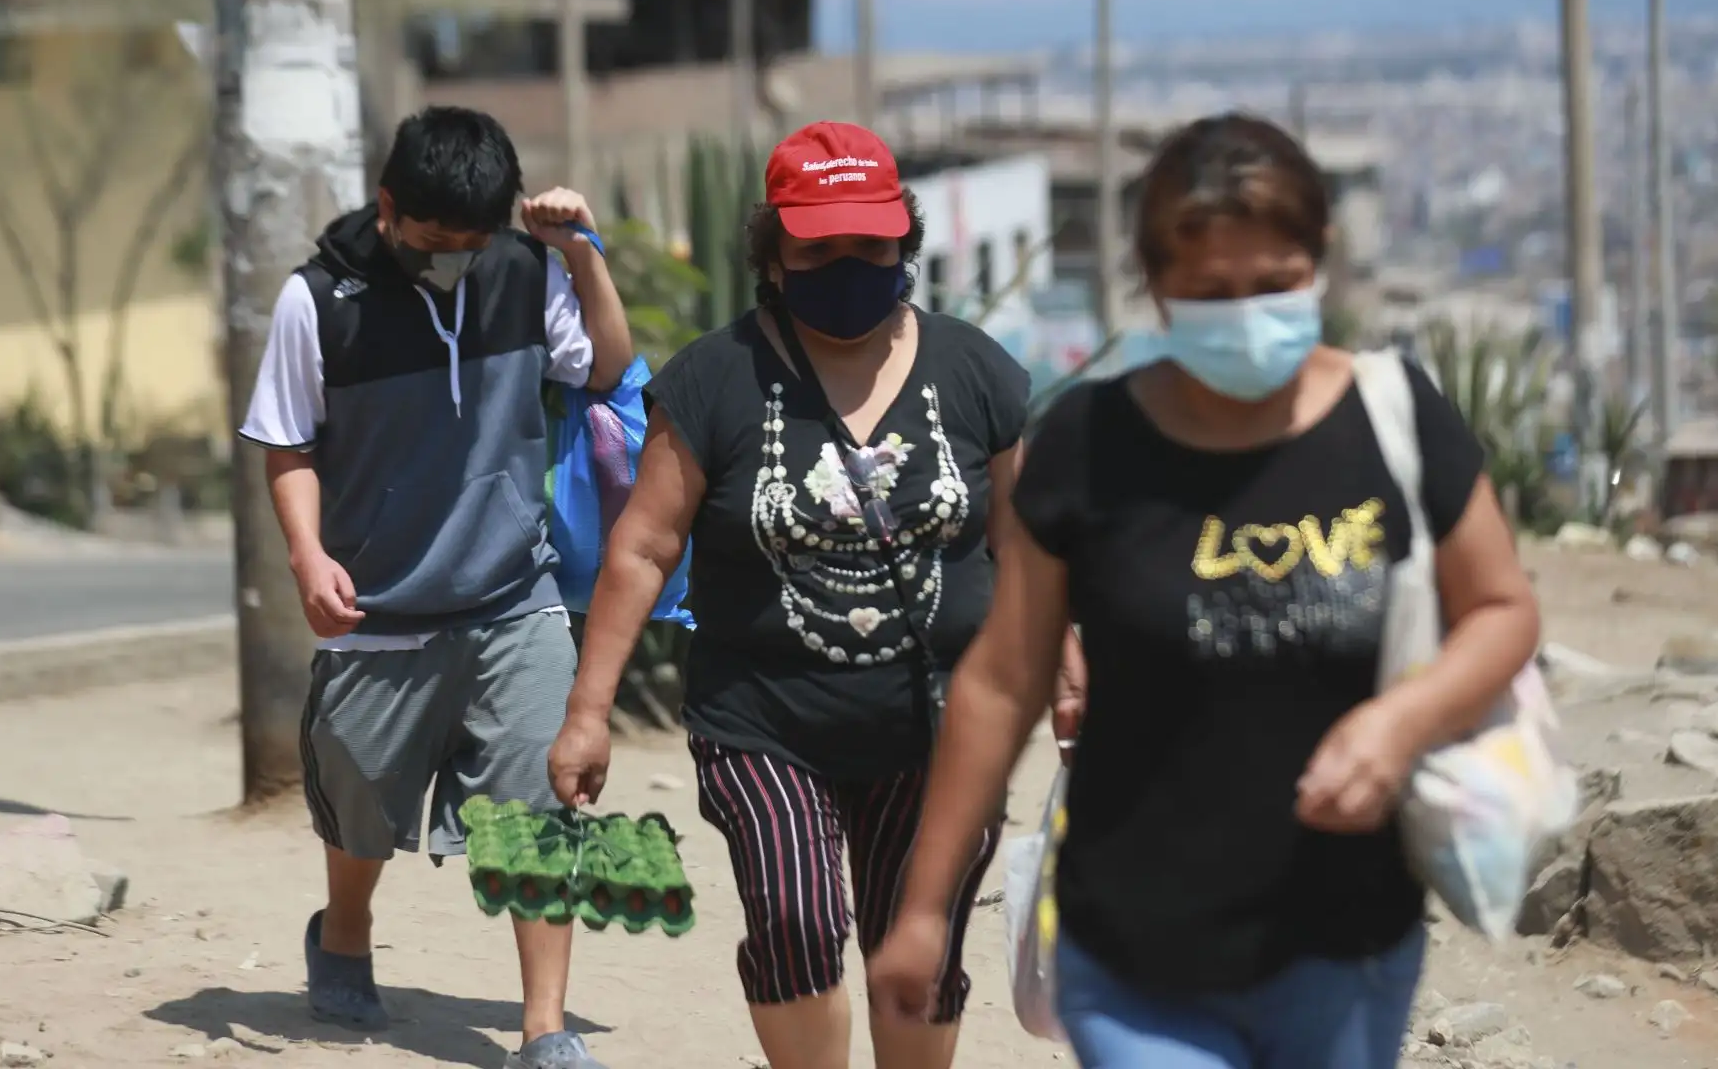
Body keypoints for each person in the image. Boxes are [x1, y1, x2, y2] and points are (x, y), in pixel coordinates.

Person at [869, 112, 1541, 1069]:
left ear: (1320, 263)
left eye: (1274, 286)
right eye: (1212, 293)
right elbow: (1003, 679)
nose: (1247, 314)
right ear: (1157, 286)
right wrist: (925, 908)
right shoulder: (1090, 445)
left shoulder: (1395, 420)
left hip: (1344, 947)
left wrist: (1401, 721)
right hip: (1134, 957)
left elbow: (1502, 610)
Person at [548, 121, 1035, 1069]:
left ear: (907, 241)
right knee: (795, 927)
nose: (847, 265)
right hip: (764, 722)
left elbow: (1030, 547)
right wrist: (587, 711)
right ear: (773, 255)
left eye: (870, 243)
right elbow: (643, 549)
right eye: (818, 246)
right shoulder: (712, 380)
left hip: (941, 726)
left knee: (915, 953)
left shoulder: (980, 374)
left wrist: (1068, 676)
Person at [238, 105, 631, 1069]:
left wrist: (580, 251)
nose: (453, 256)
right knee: (362, 810)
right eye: (432, 239)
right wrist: (306, 555)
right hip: (379, 612)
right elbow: (286, 444)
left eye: (472, 239)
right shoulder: (317, 301)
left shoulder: (523, 271)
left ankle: (544, 1027)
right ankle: (343, 931)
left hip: (512, 592)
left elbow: (609, 369)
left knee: (539, 808)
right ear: (387, 207)